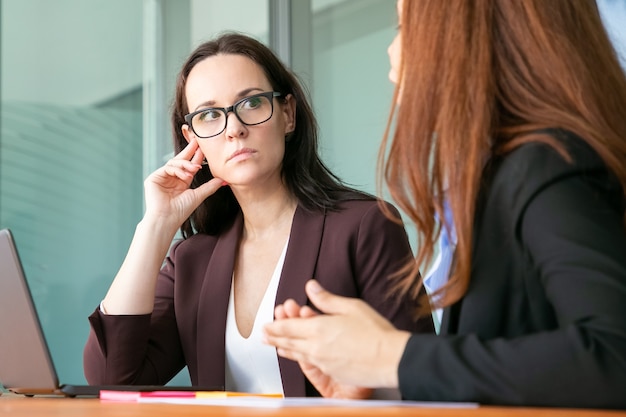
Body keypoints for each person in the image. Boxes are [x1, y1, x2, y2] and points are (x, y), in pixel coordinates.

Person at [263, 0, 626, 409]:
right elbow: (513, 368)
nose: (392, 49)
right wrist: (382, 384)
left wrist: (391, 356)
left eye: (403, 27)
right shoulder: (506, 173)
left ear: (466, 41)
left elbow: (613, 357)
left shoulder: (548, 165)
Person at [82, 32, 433, 398]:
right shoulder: (192, 260)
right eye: (209, 114)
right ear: (193, 139)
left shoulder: (364, 226)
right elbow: (112, 378)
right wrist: (154, 226)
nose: (234, 129)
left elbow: (424, 381)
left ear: (288, 114)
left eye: (250, 103)